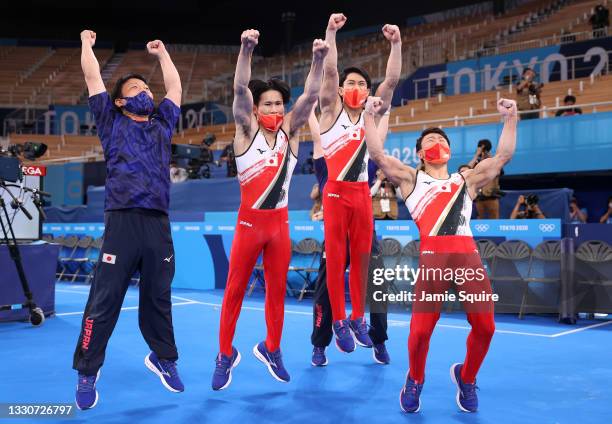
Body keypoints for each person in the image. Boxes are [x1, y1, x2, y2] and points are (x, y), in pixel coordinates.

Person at [363, 95, 518, 413]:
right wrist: (368, 114)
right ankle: (415, 379)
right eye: (429, 139)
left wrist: (511, 118)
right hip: (433, 260)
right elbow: (376, 153)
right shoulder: (411, 179)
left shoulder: (466, 180)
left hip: (467, 259)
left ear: (449, 149)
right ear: (420, 153)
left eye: (441, 138)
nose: (436, 141)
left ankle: (467, 376)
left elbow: (502, 155)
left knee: (486, 327)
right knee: (420, 332)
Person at [212, 29, 328, 391]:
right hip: (249, 223)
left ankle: (271, 348)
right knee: (234, 292)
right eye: (268, 104)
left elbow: (311, 95)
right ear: (257, 109)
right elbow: (240, 91)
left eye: (279, 104)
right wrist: (245, 49)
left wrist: (319, 59)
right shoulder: (244, 132)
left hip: (279, 224)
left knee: (276, 292)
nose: (275, 109)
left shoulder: (291, 134)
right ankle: (224, 355)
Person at [73, 30, 184, 410]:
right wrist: (87, 45)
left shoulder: (163, 123)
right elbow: (91, 77)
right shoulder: (110, 120)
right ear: (120, 101)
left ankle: (164, 358)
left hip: (157, 222)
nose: (146, 92)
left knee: (159, 298)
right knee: (104, 300)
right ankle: (88, 370)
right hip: (121, 221)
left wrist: (163, 52)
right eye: (136, 87)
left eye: (146, 88)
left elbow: (174, 87)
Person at [316, 13, 401, 353]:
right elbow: (330, 70)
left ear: (367, 91)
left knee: (364, 261)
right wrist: (331, 32)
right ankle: (337, 322)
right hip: (335, 192)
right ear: (339, 90)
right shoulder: (329, 111)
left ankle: (357, 318)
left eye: (361, 84)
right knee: (335, 261)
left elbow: (391, 82)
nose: (354, 88)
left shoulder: (373, 114)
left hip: (361, 194)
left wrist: (396, 44)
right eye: (349, 84)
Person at [308, 104, 393, 367]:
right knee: (324, 292)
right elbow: (316, 132)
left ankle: (378, 341)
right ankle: (320, 345)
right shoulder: (324, 162)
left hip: (365, 233)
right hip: (335, 237)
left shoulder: (364, 157)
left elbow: (380, 135)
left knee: (378, 287)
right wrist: (311, 109)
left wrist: (385, 111)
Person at [468, 139, 503, 219]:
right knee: (481, 220)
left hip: (492, 196)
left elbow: (499, 171)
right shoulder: (477, 163)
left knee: (494, 220)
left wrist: (491, 158)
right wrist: (477, 155)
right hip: (479, 198)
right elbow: (467, 169)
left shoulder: (493, 162)